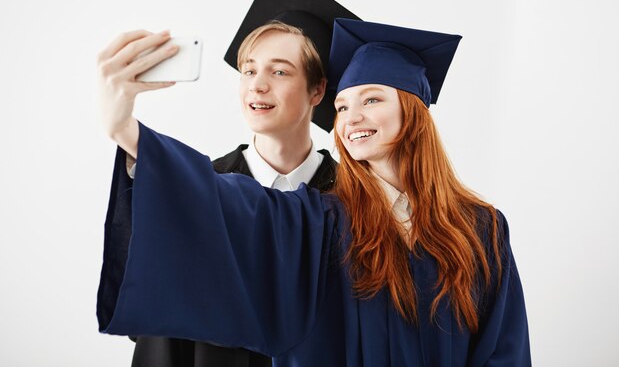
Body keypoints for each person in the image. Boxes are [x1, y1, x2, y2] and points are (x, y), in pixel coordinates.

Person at [97, 18, 531, 366]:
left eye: (372, 100)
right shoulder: (323, 219)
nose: (351, 117)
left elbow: (502, 348)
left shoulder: (484, 228)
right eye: (343, 107)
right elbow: (234, 203)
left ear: (413, 112)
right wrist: (128, 133)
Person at [99, 0, 360, 367]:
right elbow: (156, 307)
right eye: (249, 70)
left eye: (279, 71)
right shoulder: (201, 187)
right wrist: (129, 137)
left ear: (318, 90)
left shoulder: (356, 198)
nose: (257, 84)